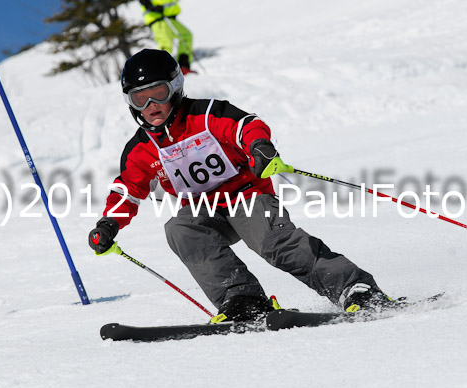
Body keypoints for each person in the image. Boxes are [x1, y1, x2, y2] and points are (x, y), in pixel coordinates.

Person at [89, 49, 393, 322]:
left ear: (176, 88)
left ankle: (355, 288)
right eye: (141, 98)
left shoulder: (206, 114)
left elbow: (246, 126)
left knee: (273, 244)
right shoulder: (141, 148)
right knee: (179, 229)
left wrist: (259, 145)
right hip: (204, 211)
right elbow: (126, 190)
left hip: (248, 196)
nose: (152, 104)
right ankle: (243, 300)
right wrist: (108, 224)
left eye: (159, 92)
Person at [138, 0, 195, 75]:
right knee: (166, 44)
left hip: (170, 17)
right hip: (157, 17)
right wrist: (150, 6)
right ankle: (160, 72)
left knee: (186, 35)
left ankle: (183, 66)